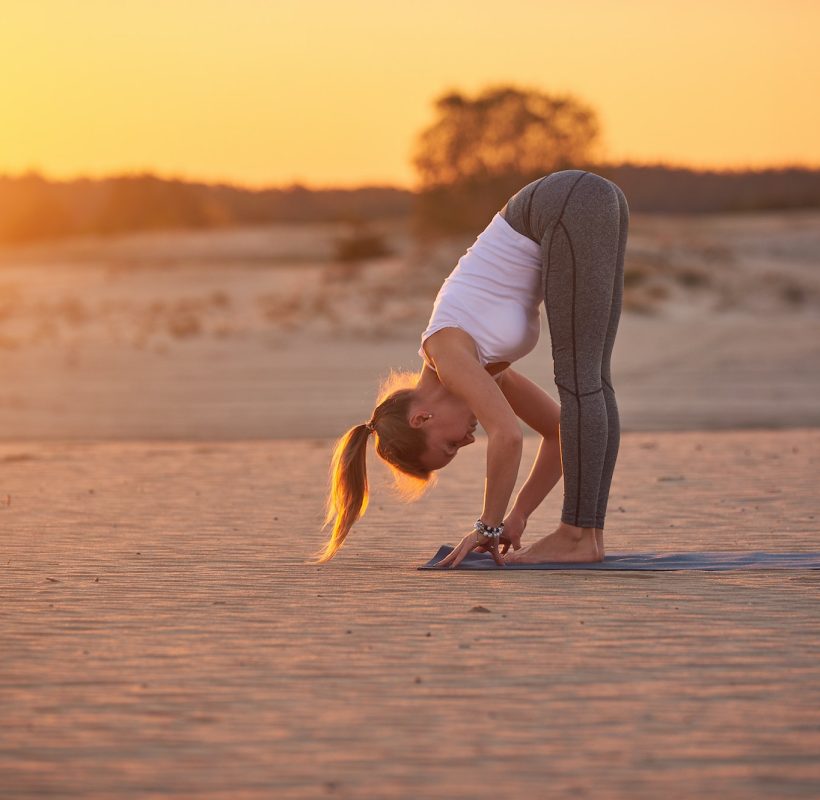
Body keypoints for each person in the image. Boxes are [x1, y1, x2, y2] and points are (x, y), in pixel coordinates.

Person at [312, 169, 629, 568]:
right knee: (592, 380)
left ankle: (575, 535)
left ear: (421, 417)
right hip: (585, 200)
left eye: (448, 446)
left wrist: (489, 526)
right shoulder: (481, 367)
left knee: (581, 380)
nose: (466, 442)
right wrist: (518, 514)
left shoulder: (446, 352)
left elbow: (508, 437)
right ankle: (588, 535)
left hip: (562, 205)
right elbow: (558, 432)